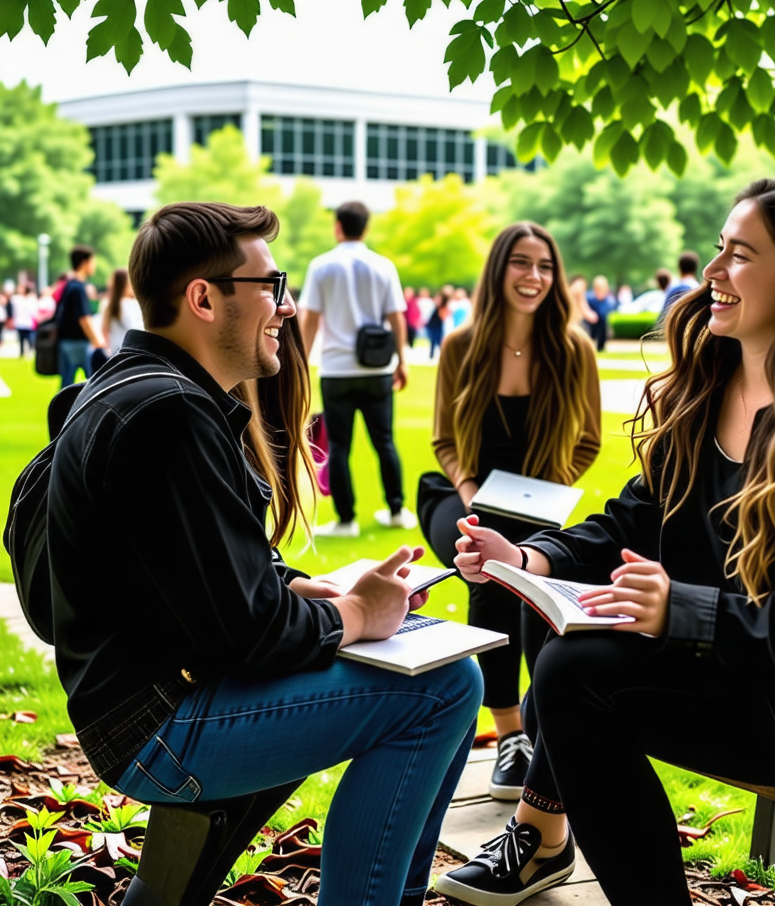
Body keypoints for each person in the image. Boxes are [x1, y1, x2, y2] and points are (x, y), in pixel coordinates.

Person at [436, 178, 775, 906]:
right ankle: (545, 840)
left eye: (740, 255)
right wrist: (528, 558)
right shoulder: (710, 389)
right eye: (719, 249)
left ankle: (544, 841)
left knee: (574, 674)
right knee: (569, 652)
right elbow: (633, 517)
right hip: (741, 670)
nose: (711, 271)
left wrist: (676, 610)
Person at [45, 201, 482, 906]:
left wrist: (310, 592)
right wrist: (357, 615)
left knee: (440, 670)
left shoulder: (137, 388)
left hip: (149, 701)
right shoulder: (170, 414)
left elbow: (193, 577)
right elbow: (248, 636)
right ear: (203, 298)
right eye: (271, 285)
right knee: (446, 686)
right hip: (161, 727)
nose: (287, 307)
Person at [418, 222, 601, 801]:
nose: (534, 276)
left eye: (545, 266)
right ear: (499, 270)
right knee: (488, 564)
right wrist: (471, 489)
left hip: (537, 499)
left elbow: (590, 440)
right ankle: (509, 736)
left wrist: (548, 491)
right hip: (462, 494)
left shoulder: (573, 348)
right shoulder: (462, 345)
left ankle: (535, 720)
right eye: (521, 262)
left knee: (534, 575)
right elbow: (444, 439)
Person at [299, 201, 415, 537]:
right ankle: (396, 510)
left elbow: (311, 319)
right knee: (385, 442)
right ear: (366, 228)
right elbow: (396, 317)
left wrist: (302, 362)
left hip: (336, 370)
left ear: (337, 226)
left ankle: (345, 520)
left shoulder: (321, 265)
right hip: (377, 369)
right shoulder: (383, 265)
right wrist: (402, 361)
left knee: (339, 446)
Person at [55, 245, 104, 388]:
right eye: (93, 261)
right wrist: (99, 343)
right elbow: (85, 319)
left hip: (66, 341)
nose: (94, 265)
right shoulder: (78, 288)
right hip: (77, 343)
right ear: (84, 263)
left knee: (66, 384)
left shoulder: (69, 285)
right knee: (96, 383)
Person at [101, 267, 145, 355]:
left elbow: (104, 330)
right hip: (131, 351)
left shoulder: (107, 304)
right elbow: (136, 328)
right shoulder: (131, 304)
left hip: (114, 351)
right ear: (126, 285)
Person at [660, 251, 701, 316]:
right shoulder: (698, 289)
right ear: (695, 267)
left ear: (679, 267)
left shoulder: (674, 289)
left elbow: (663, 316)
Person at [585, 275, 616, 351]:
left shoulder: (609, 301)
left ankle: (600, 347)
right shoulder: (589, 298)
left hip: (602, 325)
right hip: (590, 325)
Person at [10, 282, 39, 357]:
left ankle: (30, 350)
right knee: (21, 339)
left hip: (28, 322)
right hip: (20, 321)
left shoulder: (30, 299)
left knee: (29, 338)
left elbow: (33, 311)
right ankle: (22, 352)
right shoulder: (17, 298)